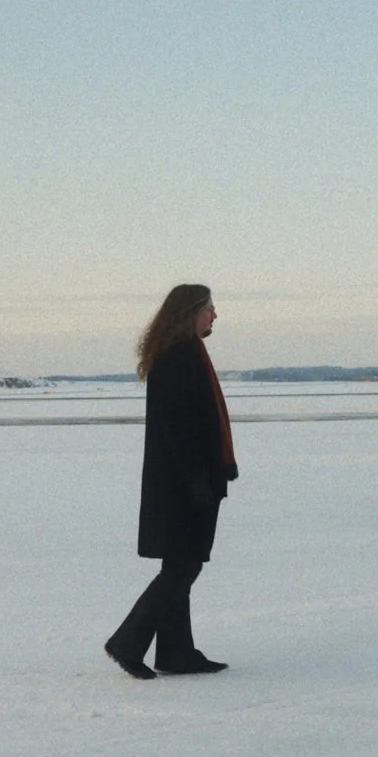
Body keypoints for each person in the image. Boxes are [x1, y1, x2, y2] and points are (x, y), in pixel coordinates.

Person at [104, 283, 237, 678]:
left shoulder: (184, 352)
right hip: (183, 484)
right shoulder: (178, 357)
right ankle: (127, 642)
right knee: (182, 568)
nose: (215, 315)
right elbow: (178, 429)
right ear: (190, 312)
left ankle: (176, 653)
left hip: (185, 481)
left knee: (183, 564)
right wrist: (198, 482)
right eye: (210, 308)